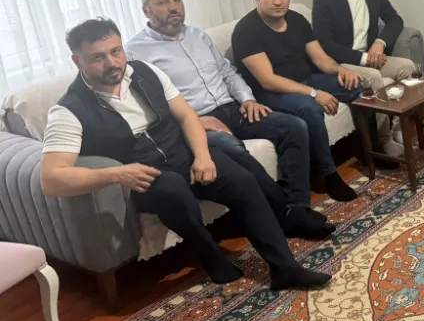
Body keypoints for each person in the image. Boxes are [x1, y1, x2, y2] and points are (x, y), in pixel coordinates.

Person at [40, 19, 330, 290]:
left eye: (116, 51)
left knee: (243, 181)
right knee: (174, 190)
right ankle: (210, 255)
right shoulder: (69, 110)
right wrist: (115, 174)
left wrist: (202, 155)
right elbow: (51, 179)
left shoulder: (145, 72)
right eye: (98, 57)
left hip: (182, 154)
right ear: (77, 60)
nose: (112, 62)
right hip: (143, 173)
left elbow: (186, 116)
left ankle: (285, 268)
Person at [126, 0, 335, 238]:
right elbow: (150, 105)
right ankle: (284, 211)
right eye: (163, 3)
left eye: (177, 0)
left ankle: (298, 207)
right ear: (146, 10)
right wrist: (195, 121)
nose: (173, 7)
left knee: (294, 126)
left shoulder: (198, 36)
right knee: (232, 148)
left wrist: (247, 99)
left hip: (233, 108)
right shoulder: (136, 52)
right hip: (198, 122)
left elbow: (227, 71)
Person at [231, 0, 364, 202]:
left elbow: (320, 58)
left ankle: (368, 149)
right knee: (309, 109)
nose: (278, 1)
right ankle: (328, 175)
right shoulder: (246, 31)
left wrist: (341, 71)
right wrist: (314, 94)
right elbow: (268, 80)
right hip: (271, 94)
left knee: (356, 85)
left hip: (307, 79)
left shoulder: (296, 19)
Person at [311, 0, 414, 155]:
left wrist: (380, 43)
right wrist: (365, 58)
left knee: (408, 67)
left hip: (371, 54)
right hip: (343, 61)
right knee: (374, 78)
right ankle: (383, 141)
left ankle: (398, 127)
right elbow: (326, 45)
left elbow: (395, 19)